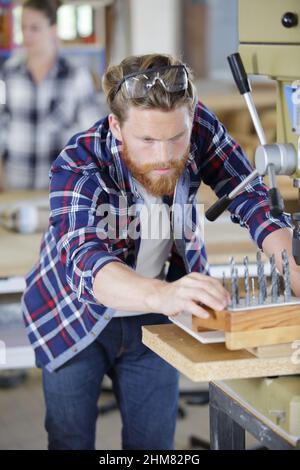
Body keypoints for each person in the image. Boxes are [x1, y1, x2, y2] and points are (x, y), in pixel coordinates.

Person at [21, 53, 300, 450]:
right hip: (72, 315)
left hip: (160, 314)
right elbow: (86, 262)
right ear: (117, 126)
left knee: (153, 446)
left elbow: (249, 196)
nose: (165, 156)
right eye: (147, 140)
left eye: (176, 139)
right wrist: (166, 294)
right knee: (70, 440)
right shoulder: (80, 163)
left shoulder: (197, 125)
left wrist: (289, 263)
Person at [0, 0, 101, 190]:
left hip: (61, 192)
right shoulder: (6, 74)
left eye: (35, 28)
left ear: (53, 29)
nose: (27, 35)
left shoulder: (77, 76)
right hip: (13, 190)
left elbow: (92, 137)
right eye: (23, 27)